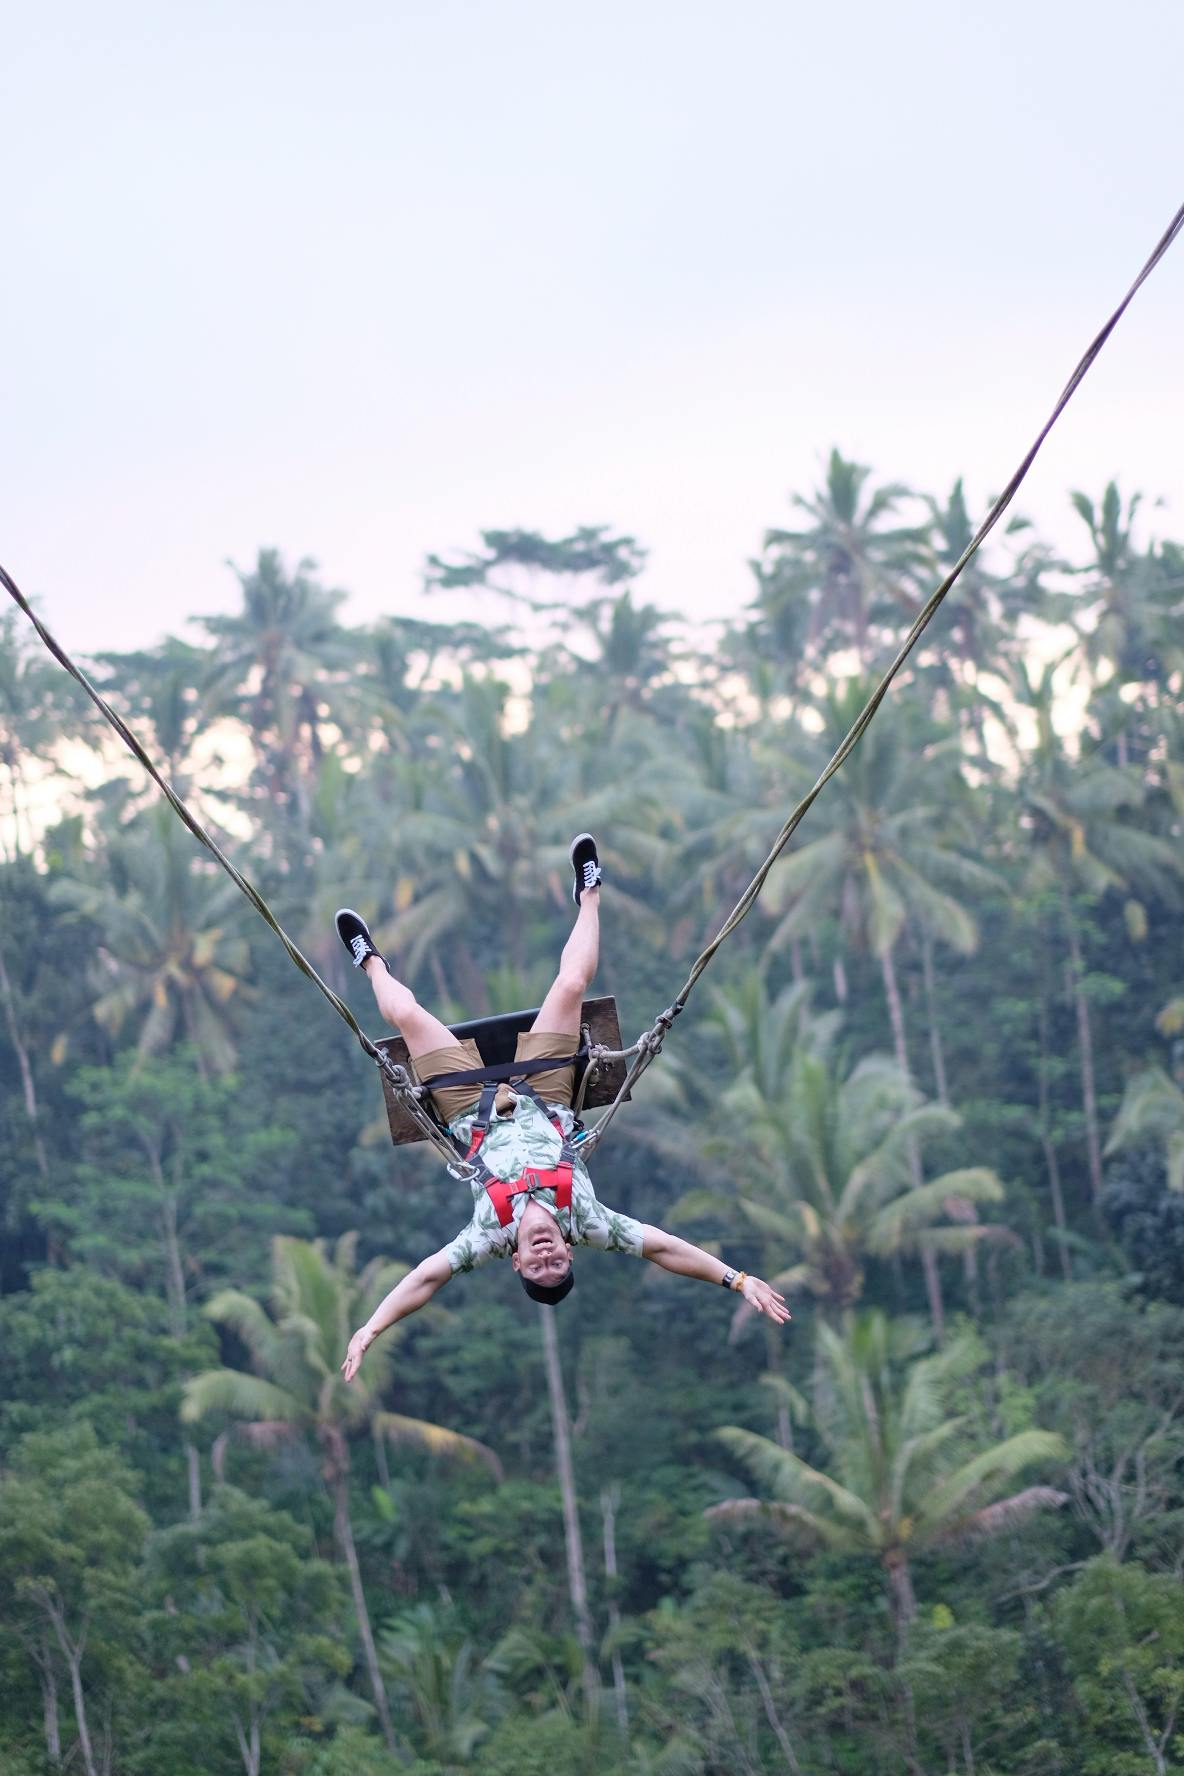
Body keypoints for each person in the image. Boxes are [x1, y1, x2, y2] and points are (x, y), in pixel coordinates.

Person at [337, 834, 789, 1384]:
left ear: (518, 1262)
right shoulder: (589, 1222)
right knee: (572, 983)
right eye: (557, 1265)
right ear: (571, 1255)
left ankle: (370, 962)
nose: (547, 1257)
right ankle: (590, 894)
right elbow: (666, 1249)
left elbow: (424, 1281)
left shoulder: (488, 1236)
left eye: (539, 1266)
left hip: (466, 1105)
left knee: (406, 1020)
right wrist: (737, 1280)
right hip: (546, 1092)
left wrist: (371, 1328)